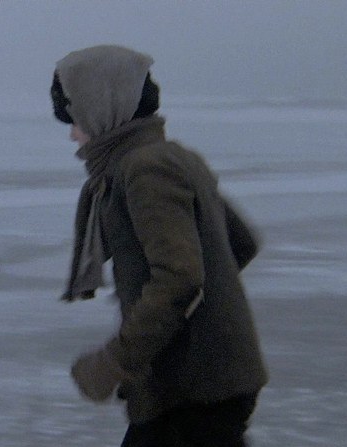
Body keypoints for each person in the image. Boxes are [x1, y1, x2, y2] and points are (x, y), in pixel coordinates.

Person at [51, 45, 268, 446]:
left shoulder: (145, 169)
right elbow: (239, 244)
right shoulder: (170, 158)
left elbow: (179, 278)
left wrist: (116, 360)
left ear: (104, 110)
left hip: (195, 389)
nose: (72, 134)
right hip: (204, 383)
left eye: (75, 119)